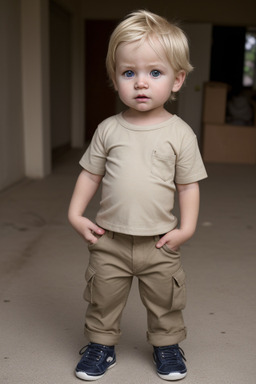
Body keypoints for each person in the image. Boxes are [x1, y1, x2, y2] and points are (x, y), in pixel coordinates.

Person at [68, 9, 207, 382]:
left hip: (159, 242)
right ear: (115, 78)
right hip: (109, 238)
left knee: (165, 300)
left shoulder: (181, 134)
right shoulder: (108, 129)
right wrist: (76, 213)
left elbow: (188, 185)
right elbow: (90, 174)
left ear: (177, 80)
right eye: (129, 73)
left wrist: (187, 227)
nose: (141, 83)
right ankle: (101, 345)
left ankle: (166, 344)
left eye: (154, 73)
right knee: (103, 297)